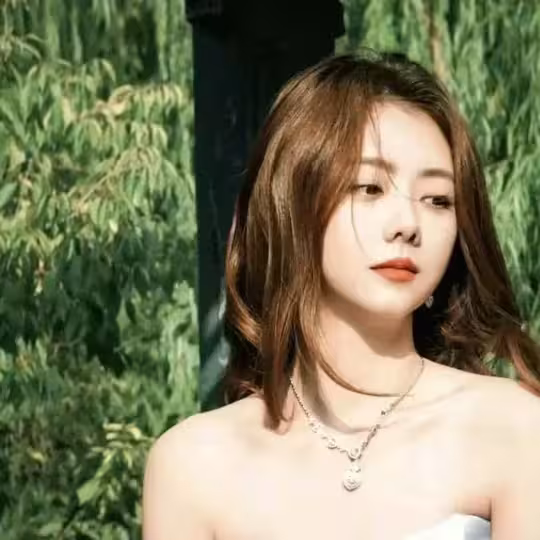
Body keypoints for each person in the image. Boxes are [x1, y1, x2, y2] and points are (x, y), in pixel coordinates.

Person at [142, 50, 540, 539]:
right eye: (369, 188)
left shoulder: (513, 428)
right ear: (293, 201)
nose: (408, 224)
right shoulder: (192, 465)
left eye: (438, 199)